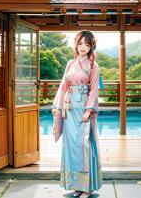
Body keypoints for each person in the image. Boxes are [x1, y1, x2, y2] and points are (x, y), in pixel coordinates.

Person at [51, 31, 103, 198]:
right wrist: (57, 107)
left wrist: (88, 111)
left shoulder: (94, 66)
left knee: (83, 146)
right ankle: (76, 185)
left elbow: (94, 89)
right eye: (80, 44)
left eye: (87, 45)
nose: (83, 48)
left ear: (91, 47)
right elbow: (63, 86)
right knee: (71, 146)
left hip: (83, 107)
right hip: (69, 109)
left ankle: (87, 187)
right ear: (76, 44)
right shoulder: (70, 63)